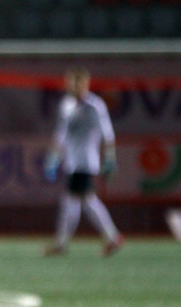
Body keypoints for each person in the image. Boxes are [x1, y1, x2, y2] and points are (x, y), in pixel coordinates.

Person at [43, 67, 124, 257]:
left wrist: (110, 160)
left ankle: (62, 244)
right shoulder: (67, 105)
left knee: (76, 201)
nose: (71, 86)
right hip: (71, 162)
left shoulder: (95, 106)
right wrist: (53, 159)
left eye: (75, 82)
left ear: (84, 84)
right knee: (83, 202)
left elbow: (108, 135)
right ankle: (112, 238)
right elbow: (60, 135)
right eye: (69, 82)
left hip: (86, 162)